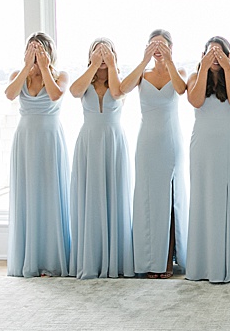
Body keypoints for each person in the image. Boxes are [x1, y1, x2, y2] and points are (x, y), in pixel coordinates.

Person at [119, 29, 188, 279]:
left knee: (169, 199)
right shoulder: (143, 74)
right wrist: (143, 60)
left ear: (171, 47)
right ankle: (149, 260)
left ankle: (167, 261)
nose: (157, 47)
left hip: (170, 140)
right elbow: (121, 89)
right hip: (146, 141)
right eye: (152, 44)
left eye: (162, 44)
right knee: (148, 199)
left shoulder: (177, 72)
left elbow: (182, 91)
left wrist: (168, 61)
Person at [4, 32, 71, 278]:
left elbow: (55, 94)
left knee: (50, 194)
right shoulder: (18, 75)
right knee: (28, 194)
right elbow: (10, 94)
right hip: (25, 140)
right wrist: (26, 67)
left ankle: (51, 260)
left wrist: (43, 68)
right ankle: (29, 259)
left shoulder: (60, 76)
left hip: (50, 138)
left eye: (41, 50)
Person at [67, 38, 134, 279]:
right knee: (90, 197)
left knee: (113, 196)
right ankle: (91, 258)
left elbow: (118, 93)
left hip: (113, 142)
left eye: (108, 53)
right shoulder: (85, 81)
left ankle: (114, 260)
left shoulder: (119, 80)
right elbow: (74, 92)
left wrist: (111, 65)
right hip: (89, 142)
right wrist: (94, 65)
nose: (103, 56)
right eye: (98, 52)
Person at [184, 36, 230, 283]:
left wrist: (227, 67)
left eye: (220, 52)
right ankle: (203, 264)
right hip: (202, 144)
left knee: (229, 197)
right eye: (211, 52)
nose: (215, 56)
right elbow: (196, 100)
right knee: (203, 197)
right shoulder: (194, 78)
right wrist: (203, 68)